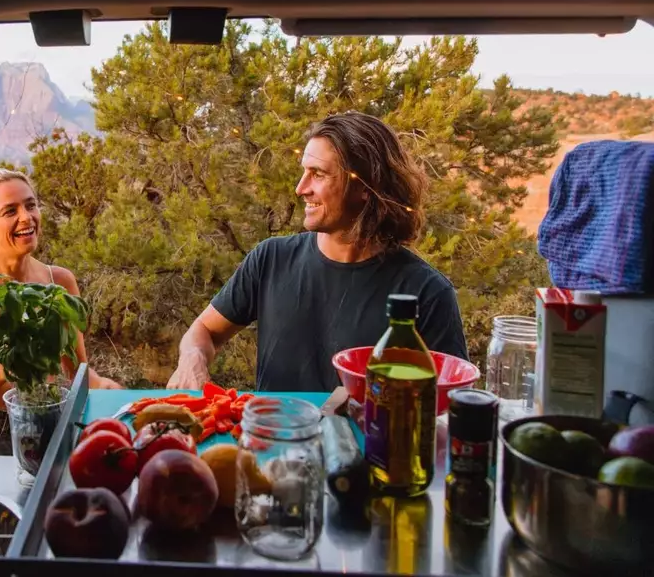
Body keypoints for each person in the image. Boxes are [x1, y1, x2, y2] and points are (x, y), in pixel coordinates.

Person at [167, 112, 468, 393]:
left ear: (365, 186)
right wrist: (192, 357)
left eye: (319, 174)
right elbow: (204, 330)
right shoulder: (270, 259)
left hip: (369, 449)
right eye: (304, 172)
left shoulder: (427, 293)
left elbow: (450, 405)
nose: (300, 188)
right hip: (274, 444)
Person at [0, 168, 122, 455]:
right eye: (10, 211)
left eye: (31, 205)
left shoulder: (60, 282)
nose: (26, 217)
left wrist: (111, 390)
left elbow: (78, 375)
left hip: (54, 426)